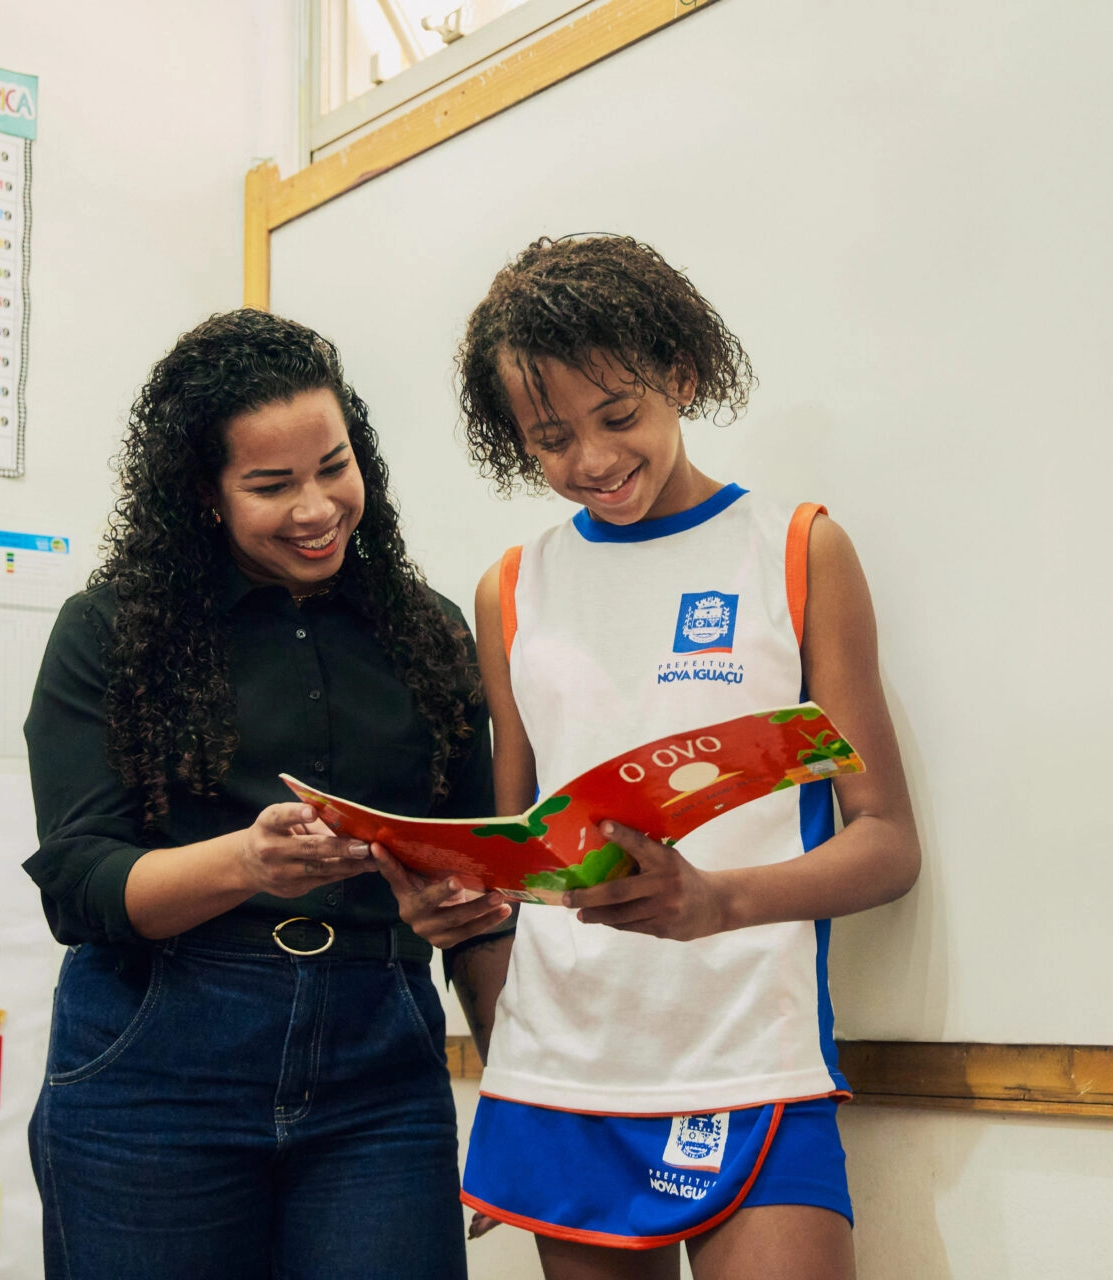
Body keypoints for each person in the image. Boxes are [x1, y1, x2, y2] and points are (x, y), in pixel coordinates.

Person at [376, 237, 921, 1279]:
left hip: (753, 1056)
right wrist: (458, 908)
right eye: (549, 437)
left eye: (617, 415)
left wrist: (715, 900)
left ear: (682, 372)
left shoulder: (796, 549)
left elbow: (888, 843)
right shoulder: (512, 589)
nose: (591, 459)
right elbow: (517, 864)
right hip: (564, 1067)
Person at [21, 310, 510, 1280]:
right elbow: (79, 886)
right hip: (157, 1058)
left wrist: (515, 1082)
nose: (318, 505)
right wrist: (248, 862)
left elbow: (484, 878)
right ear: (204, 493)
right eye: (271, 485)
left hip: (380, 1054)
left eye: (334, 465)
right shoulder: (112, 629)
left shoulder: (425, 629)